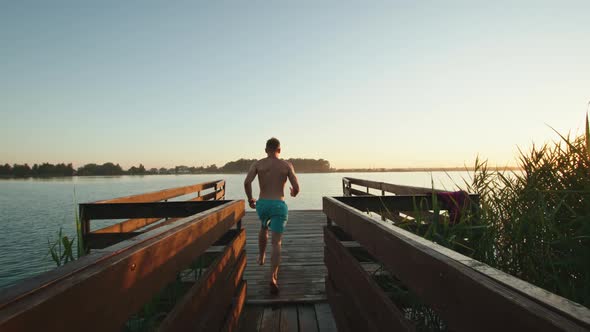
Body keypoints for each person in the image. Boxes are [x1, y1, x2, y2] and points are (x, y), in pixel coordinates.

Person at [244, 137, 300, 294]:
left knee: (263, 227)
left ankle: (261, 256)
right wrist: (293, 192)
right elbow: (296, 187)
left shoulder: (258, 164)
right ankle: (273, 278)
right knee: (276, 243)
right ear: (279, 150)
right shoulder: (286, 165)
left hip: (262, 204)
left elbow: (247, 182)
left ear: (265, 150)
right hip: (278, 205)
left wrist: (250, 199)